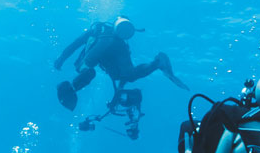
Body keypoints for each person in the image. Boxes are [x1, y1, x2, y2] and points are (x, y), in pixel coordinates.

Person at [53, 16, 187, 112]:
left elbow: (75, 44)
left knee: (86, 69)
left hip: (104, 46)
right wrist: (116, 97)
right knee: (130, 75)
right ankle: (158, 62)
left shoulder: (96, 32)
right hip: (118, 47)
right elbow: (124, 76)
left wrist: (61, 59)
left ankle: (71, 89)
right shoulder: (117, 40)